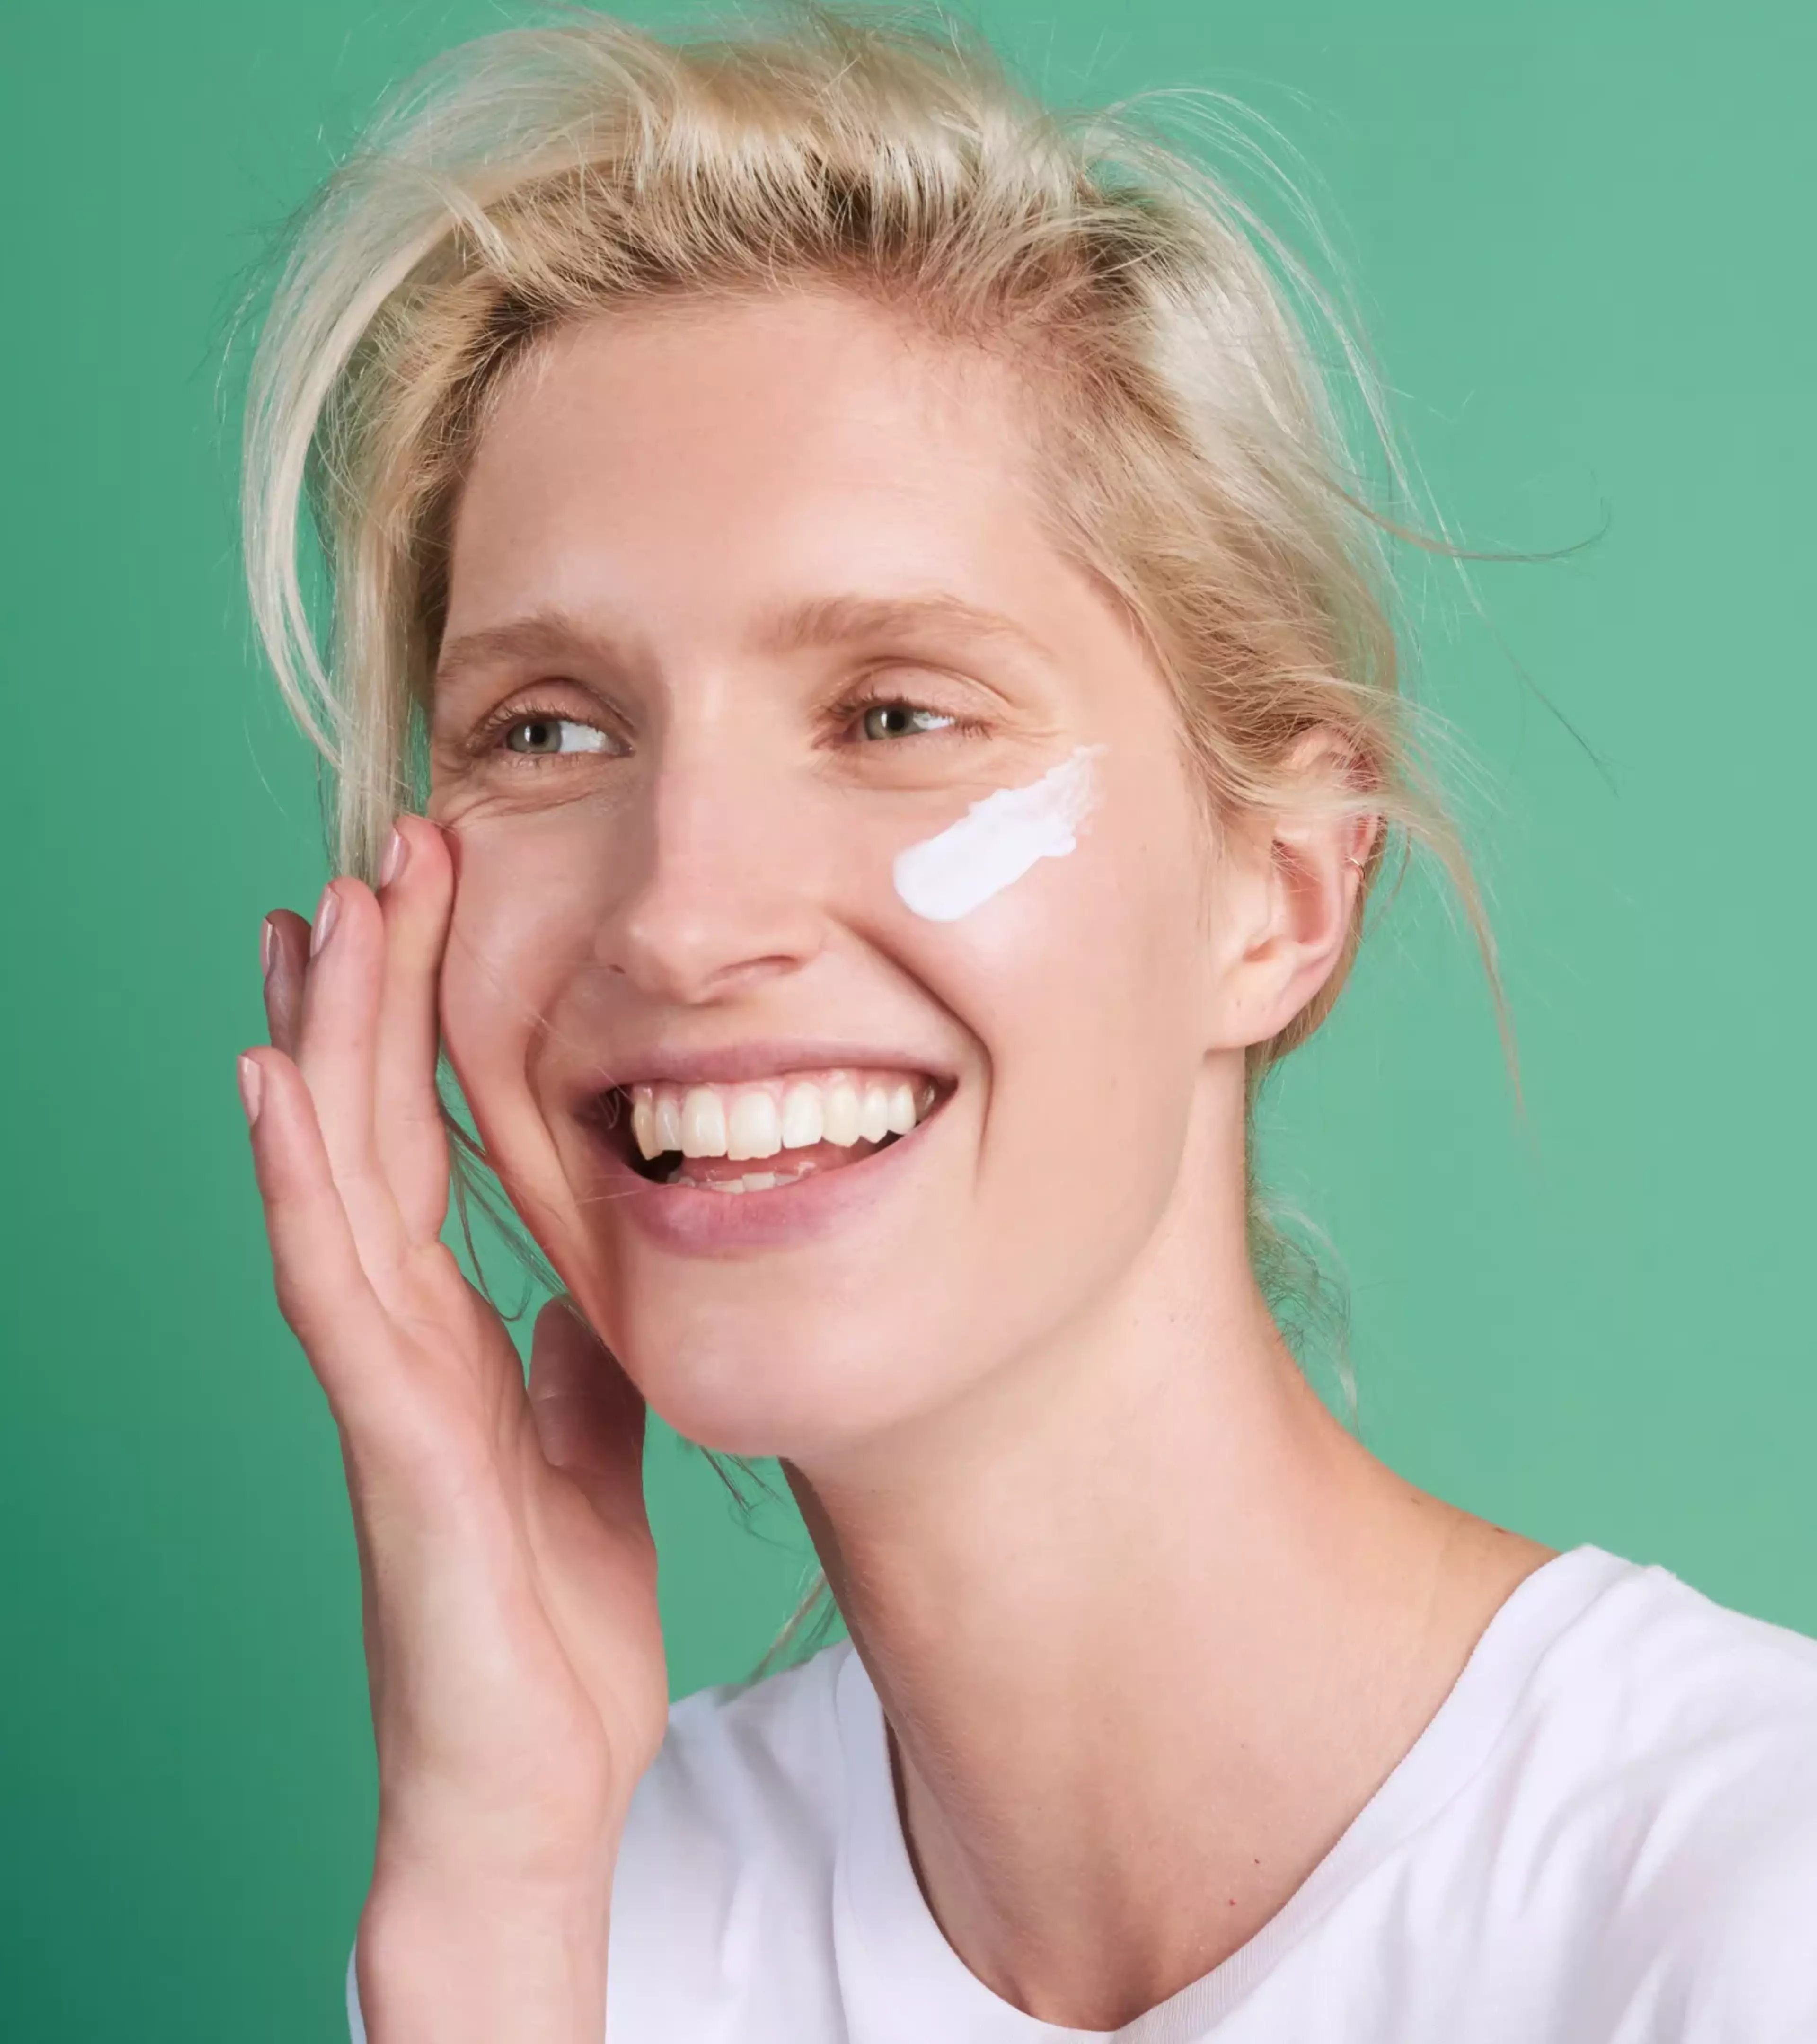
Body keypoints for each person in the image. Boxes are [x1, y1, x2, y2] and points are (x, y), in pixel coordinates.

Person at [235, 9, 1817, 2040]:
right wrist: (493, 1912)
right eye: (547, 730)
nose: (685, 915)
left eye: (897, 714)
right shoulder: (568, 1905)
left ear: (1285, 890)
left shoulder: (1746, 1908)